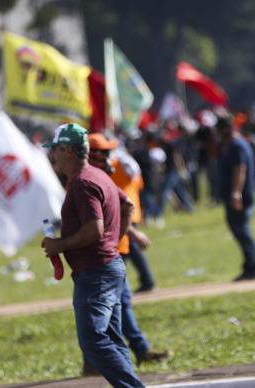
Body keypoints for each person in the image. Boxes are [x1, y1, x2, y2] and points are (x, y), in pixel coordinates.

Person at [41, 123, 144, 387]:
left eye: (55, 150)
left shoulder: (82, 183)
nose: (52, 156)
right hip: (107, 266)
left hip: (96, 271)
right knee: (112, 337)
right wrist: (115, 239)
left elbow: (94, 229)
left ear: (68, 150)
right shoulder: (96, 176)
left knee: (92, 339)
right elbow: (126, 204)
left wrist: (60, 245)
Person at [84, 133, 170, 375]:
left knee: (119, 304)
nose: (112, 155)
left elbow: (129, 198)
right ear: (94, 155)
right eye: (106, 151)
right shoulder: (93, 179)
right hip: (107, 251)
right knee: (108, 307)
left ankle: (133, 352)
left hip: (116, 247)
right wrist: (133, 233)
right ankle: (104, 359)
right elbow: (112, 212)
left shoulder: (111, 172)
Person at [217, 116, 255, 281]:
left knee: (241, 229)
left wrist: (236, 192)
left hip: (241, 195)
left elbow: (240, 169)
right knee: (238, 228)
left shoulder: (237, 146)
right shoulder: (236, 144)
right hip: (237, 194)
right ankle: (249, 265)